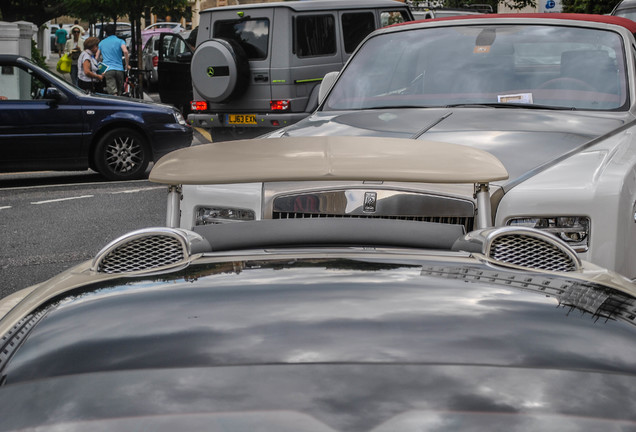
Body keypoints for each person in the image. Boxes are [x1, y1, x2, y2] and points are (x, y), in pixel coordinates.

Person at [98, 24, 130, 95]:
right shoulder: (120, 41)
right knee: (119, 91)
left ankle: (116, 104)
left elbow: (97, 57)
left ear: (105, 32)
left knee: (113, 92)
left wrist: (99, 65)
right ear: (115, 32)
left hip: (108, 69)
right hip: (119, 69)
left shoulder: (101, 43)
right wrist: (127, 65)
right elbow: (125, 51)